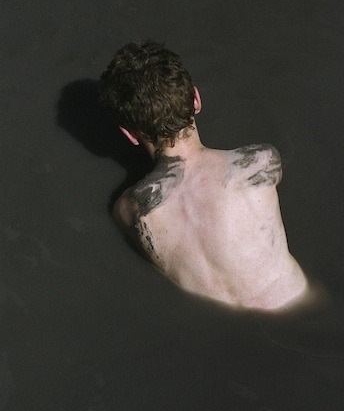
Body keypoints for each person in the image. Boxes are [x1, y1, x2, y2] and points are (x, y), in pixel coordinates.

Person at [99, 40, 314, 312]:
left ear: (130, 135)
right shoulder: (260, 162)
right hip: (298, 306)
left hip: (217, 329)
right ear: (196, 100)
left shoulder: (128, 212)